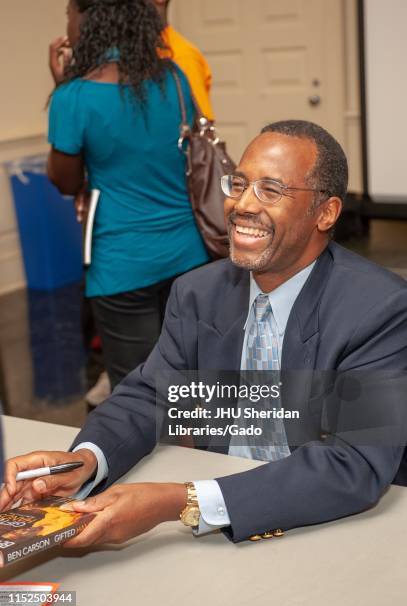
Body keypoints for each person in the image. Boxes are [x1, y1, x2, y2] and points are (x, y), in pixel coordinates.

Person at [2, 121, 407, 546]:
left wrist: (179, 500)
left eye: (271, 190)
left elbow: (354, 464)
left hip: (337, 527)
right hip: (221, 514)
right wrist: (84, 461)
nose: (242, 205)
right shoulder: (198, 291)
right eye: (239, 183)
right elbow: (152, 395)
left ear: (326, 213)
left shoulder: (380, 308)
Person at [46, 0, 210, 389]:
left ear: (89, 19)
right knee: (195, 383)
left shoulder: (75, 96)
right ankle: (203, 451)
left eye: (69, 13)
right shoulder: (173, 78)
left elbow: (65, 181)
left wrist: (62, 89)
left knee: (140, 393)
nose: (67, 22)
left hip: (122, 264)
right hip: (190, 254)